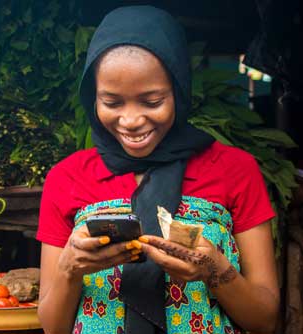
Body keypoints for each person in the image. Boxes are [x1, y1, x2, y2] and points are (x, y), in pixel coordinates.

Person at [36, 6, 279, 334]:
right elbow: (52, 328)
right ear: (92, 99)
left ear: (179, 92)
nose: (132, 121)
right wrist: (69, 269)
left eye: (151, 102)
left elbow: (265, 320)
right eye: (112, 102)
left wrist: (215, 271)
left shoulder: (236, 170)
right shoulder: (67, 177)